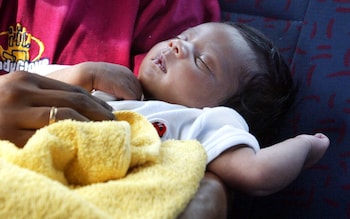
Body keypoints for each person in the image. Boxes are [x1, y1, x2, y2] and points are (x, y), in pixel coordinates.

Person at [41, 22, 329, 196]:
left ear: (226, 109)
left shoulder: (200, 123)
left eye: (202, 62)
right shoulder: (105, 82)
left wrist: (303, 146)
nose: (178, 46)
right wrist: (82, 74)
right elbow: (19, 90)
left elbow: (256, 173)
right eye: (185, 36)